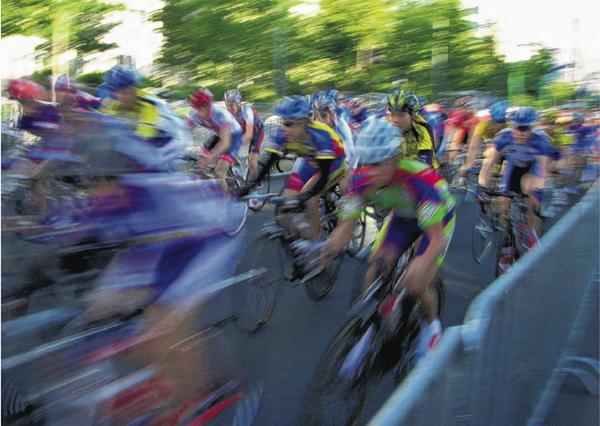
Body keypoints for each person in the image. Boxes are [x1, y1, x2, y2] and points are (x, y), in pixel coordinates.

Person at [319, 117, 456, 361]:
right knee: (375, 268)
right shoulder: (360, 181)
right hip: (404, 216)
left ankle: (431, 328)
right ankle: (371, 325)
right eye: (366, 163)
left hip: (438, 218)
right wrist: (328, 249)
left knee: (416, 283)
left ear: (394, 158)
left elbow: (437, 240)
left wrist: (422, 262)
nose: (370, 172)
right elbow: (345, 228)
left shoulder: (419, 181)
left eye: (378, 164)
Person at [239, 95, 346, 240]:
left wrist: (306, 196)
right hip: (309, 160)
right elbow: (268, 165)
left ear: (304, 123)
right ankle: (297, 237)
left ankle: (314, 242)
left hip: (333, 162)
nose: (284, 128)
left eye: (289, 123)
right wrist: (250, 186)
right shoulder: (282, 134)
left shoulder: (321, 135)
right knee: (288, 200)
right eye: (283, 122)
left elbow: (324, 174)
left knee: (310, 200)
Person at [478, 106, 555, 258]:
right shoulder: (504, 137)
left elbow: (542, 169)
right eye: (517, 128)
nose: (520, 133)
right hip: (513, 167)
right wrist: (481, 186)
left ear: (532, 128)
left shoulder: (540, 140)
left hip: (532, 168)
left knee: (530, 193)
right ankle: (508, 242)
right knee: (504, 205)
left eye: (525, 129)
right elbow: (488, 165)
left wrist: (538, 191)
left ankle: (532, 232)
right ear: (511, 127)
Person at [188, 89, 244, 190]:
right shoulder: (193, 114)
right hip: (217, 134)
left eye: (205, 108)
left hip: (234, 135)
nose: (201, 112)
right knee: (199, 168)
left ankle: (226, 199)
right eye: (198, 109)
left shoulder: (219, 114)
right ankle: (214, 186)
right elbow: (183, 131)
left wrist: (210, 157)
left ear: (208, 106)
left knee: (219, 172)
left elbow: (225, 142)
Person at [386, 90, 440, 169]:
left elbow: (425, 160)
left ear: (413, 115)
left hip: (426, 170)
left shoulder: (421, 129)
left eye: (401, 115)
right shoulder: (385, 125)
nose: (396, 120)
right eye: (393, 114)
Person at [223, 89, 264, 179]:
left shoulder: (247, 111)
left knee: (252, 162)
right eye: (227, 105)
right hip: (242, 130)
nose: (229, 108)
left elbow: (249, 134)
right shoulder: (227, 113)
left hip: (256, 132)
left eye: (231, 105)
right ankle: (236, 167)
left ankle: (257, 184)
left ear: (238, 104)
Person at [460, 99, 509, 174]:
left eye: (501, 122)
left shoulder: (510, 124)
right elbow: (473, 146)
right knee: (491, 155)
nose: (498, 126)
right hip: (493, 146)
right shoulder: (483, 125)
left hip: (504, 148)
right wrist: (469, 164)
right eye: (496, 122)